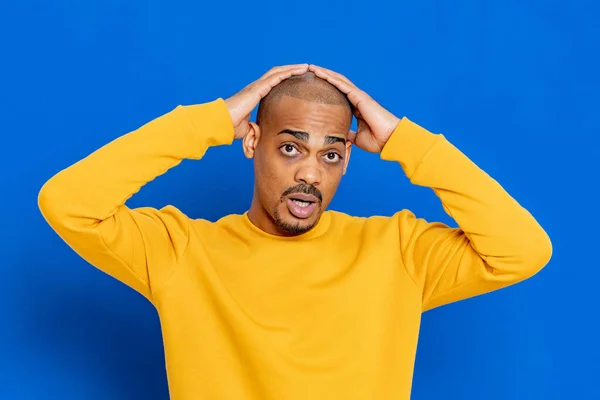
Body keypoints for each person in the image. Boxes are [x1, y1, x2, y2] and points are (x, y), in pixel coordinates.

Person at [38, 63, 552, 399]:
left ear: (347, 160)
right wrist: (208, 123)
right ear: (251, 142)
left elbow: (522, 250)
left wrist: (404, 141)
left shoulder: (398, 250)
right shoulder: (181, 251)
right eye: (290, 147)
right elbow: (67, 204)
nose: (311, 172)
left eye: (330, 153)